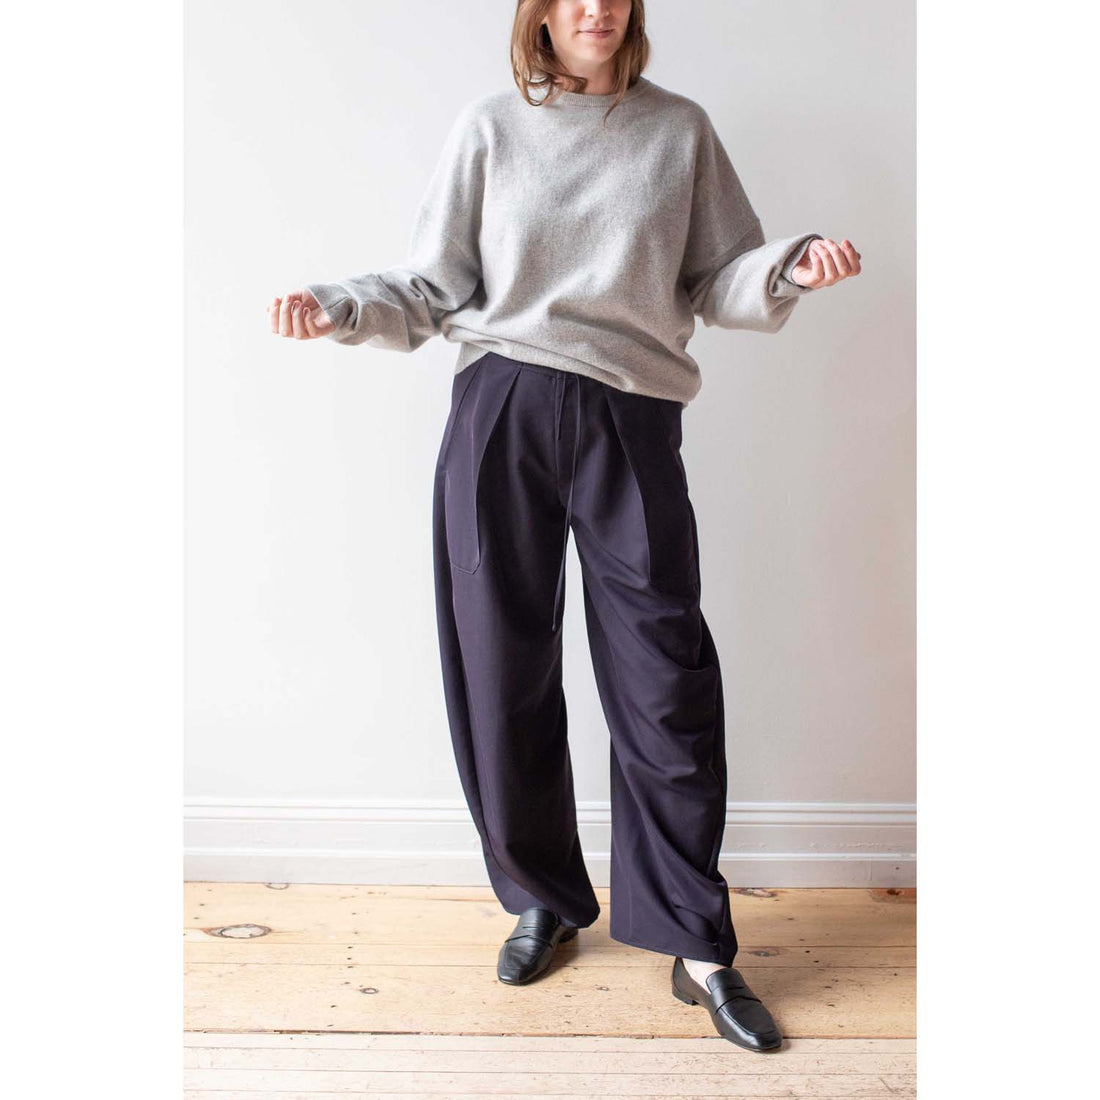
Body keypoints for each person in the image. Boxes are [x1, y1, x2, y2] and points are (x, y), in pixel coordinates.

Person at [267, 0, 860, 1053]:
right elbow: (432, 284)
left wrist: (788, 267)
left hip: (633, 415)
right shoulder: (491, 128)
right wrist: (342, 304)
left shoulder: (678, 131)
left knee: (664, 673)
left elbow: (716, 277)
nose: (597, 6)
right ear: (539, 14)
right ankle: (541, 894)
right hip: (500, 403)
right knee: (500, 664)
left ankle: (695, 944)